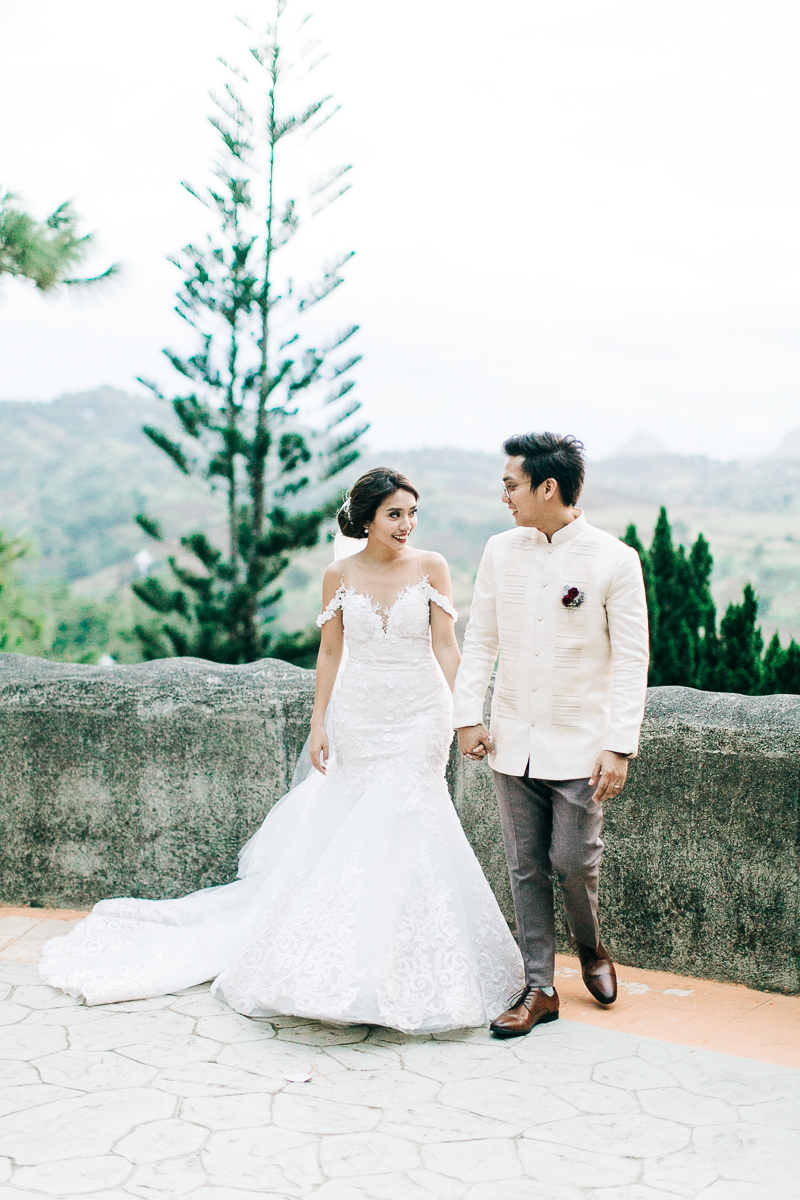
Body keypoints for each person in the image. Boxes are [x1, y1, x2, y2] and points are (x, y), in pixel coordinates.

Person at [40, 467, 524, 1032]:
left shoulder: (431, 566)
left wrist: (468, 715)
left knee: (412, 816)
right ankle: (342, 962)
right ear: (366, 519)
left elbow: (445, 644)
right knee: (363, 824)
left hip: (420, 712)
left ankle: (411, 965)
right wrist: (319, 723)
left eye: (412, 513)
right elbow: (330, 654)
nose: (406, 524)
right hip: (360, 714)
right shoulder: (338, 574)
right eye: (394, 514)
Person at [453, 433, 649, 1038]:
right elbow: (481, 637)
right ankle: (539, 986)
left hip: (581, 746)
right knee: (525, 867)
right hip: (511, 738)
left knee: (572, 862)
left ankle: (590, 948)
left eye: (511, 484)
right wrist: (467, 714)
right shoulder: (499, 550)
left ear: (548, 488)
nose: (504, 496)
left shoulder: (614, 559)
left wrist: (619, 744)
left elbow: (631, 660)